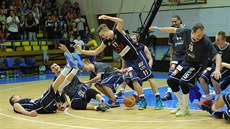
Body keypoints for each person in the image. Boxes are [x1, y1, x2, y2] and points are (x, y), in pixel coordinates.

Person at [74, 15, 163, 110]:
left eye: (103, 35)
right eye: (102, 36)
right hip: (129, 62)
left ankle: (158, 100)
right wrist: (81, 51)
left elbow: (121, 21)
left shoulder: (118, 31)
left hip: (137, 57)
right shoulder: (107, 41)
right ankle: (142, 100)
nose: (103, 37)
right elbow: (95, 52)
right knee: (134, 79)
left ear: (107, 30)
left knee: (149, 78)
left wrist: (107, 18)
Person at [149, 23, 222, 116]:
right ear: (192, 32)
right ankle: (181, 103)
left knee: (183, 82)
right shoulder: (186, 31)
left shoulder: (206, 42)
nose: (201, 37)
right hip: (186, 62)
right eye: (198, 35)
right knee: (170, 80)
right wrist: (158, 28)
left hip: (197, 66)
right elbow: (172, 30)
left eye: (202, 35)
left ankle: (186, 107)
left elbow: (217, 56)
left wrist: (217, 69)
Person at [9, 51, 83, 117]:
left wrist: (58, 106)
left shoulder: (26, 100)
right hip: (41, 104)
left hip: (48, 107)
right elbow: (20, 109)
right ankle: (69, 66)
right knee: (54, 86)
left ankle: (76, 67)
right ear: (13, 99)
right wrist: (29, 114)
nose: (19, 95)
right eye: (17, 96)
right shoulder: (16, 104)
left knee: (60, 88)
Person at [52, 44, 109, 112]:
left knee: (90, 91)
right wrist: (65, 102)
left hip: (81, 89)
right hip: (73, 96)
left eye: (55, 65)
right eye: (53, 67)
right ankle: (97, 107)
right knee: (74, 104)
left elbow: (72, 60)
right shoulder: (55, 81)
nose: (55, 67)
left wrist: (66, 50)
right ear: (52, 71)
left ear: (58, 66)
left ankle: (103, 101)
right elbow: (61, 93)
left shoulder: (67, 68)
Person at [197, 31, 230, 108]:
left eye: (218, 40)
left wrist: (223, 64)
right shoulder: (213, 46)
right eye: (215, 39)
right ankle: (208, 99)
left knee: (213, 76)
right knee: (201, 77)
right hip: (214, 67)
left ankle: (218, 99)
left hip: (226, 69)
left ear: (224, 39)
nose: (216, 41)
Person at [117, 33, 153, 101]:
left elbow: (150, 58)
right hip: (132, 66)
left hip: (142, 66)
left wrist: (149, 67)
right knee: (127, 77)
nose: (133, 40)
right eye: (131, 39)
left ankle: (137, 94)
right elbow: (123, 58)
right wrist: (123, 67)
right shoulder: (127, 48)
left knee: (138, 77)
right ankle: (122, 90)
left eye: (134, 39)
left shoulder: (142, 47)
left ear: (137, 40)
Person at [161, 15, 187, 101]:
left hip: (185, 56)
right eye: (172, 22)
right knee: (171, 73)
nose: (173, 23)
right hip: (176, 56)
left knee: (183, 74)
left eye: (175, 21)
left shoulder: (186, 30)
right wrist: (171, 59)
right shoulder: (171, 31)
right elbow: (172, 47)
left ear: (180, 20)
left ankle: (184, 93)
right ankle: (169, 93)